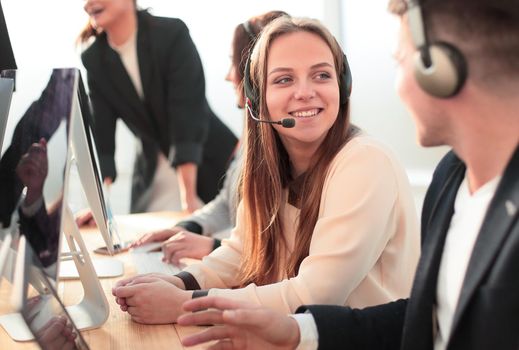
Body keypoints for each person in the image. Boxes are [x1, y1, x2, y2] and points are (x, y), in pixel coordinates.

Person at [177, 0, 519, 349]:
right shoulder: (451, 179)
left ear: (440, 71)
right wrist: (298, 332)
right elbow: (422, 317)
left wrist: (190, 304)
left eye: (400, 61)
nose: (398, 84)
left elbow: (323, 291)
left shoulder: (369, 161)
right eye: (283, 79)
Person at [112, 16, 420, 325]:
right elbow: (243, 249)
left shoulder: (365, 162)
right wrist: (180, 281)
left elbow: (315, 295)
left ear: (343, 86)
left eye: (321, 75)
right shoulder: (270, 166)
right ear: (257, 99)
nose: (305, 92)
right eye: (284, 79)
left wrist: (183, 305)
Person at [130, 10, 289, 264]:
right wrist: (185, 227)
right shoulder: (252, 137)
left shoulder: (292, 148)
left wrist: (213, 246)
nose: (229, 75)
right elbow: (226, 205)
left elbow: (282, 248)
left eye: (233, 62)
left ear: (253, 73)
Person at [79, 0, 238, 213]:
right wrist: (99, 206)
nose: (89, 3)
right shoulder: (94, 59)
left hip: (206, 164)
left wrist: (188, 201)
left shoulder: (172, 34)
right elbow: (102, 136)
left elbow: (187, 116)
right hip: (152, 174)